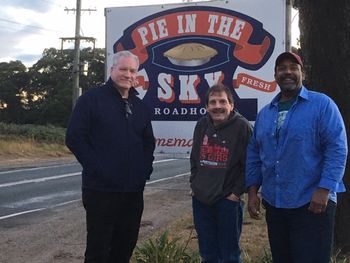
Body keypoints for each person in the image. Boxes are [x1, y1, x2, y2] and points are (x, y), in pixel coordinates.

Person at [246, 51, 348, 263]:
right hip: (276, 204)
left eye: (293, 67)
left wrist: (324, 189)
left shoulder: (322, 105)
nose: (288, 72)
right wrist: (253, 191)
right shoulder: (265, 113)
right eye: (282, 68)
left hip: (312, 203)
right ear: (275, 75)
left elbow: (337, 148)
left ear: (303, 73)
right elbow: (255, 153)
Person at [65, 50, 155, 263]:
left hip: (133, 191)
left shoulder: (140, 107)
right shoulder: (91, 100)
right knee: (98, 250)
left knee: (125, 248)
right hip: (101, 191)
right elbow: (74, 138)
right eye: (123, 69)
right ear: (112, 70)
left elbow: (148, 143)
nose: (128, 74)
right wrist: (97, 169)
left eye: (132, 70)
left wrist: (143, 172)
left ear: (137, 74)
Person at [190, 83, 253, 263]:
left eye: (222, 102)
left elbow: (249, 165)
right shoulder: (202, 124)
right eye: (213, 102)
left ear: (231, 105)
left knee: (230, 255)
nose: (217, 106)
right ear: (206, 107)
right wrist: (194, 186)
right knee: (207, 254)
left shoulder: (242, 127)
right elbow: (195, 158)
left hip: (228, 202)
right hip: (201, 200)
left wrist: (235, 194)